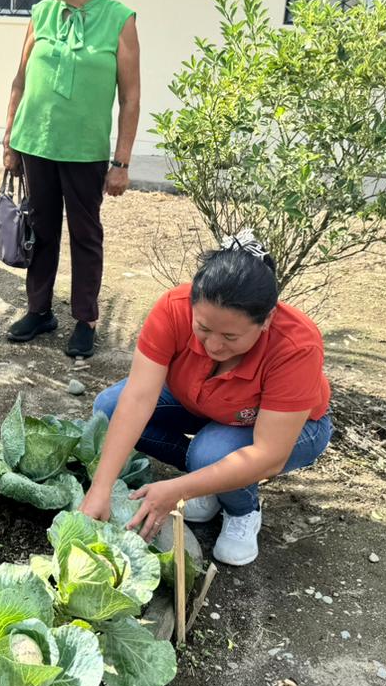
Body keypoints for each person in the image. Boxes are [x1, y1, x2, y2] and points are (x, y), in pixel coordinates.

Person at [78, 231, 333, 566]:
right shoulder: (173, 308)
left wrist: (179, 489)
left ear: (267, 319)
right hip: (204, 402)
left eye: (230, 336)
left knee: (210, 453)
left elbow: (269, 455)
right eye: (203, 328)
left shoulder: (295, 346)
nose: (213, 345)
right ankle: (208, 480)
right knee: (109, 408)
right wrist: (100, 488)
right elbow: (137, 398)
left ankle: (242, 510)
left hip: (287, 427)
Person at [2, 0, 140, 359]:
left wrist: (121, 162)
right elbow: (20, 80)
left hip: (84, 150)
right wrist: (9, 140)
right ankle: (39, 310)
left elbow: (131, 97)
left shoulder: (119, 19)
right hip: (36, 142)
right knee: (41, 230)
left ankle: (85, 319)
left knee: (85, 235)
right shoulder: (42, 13)